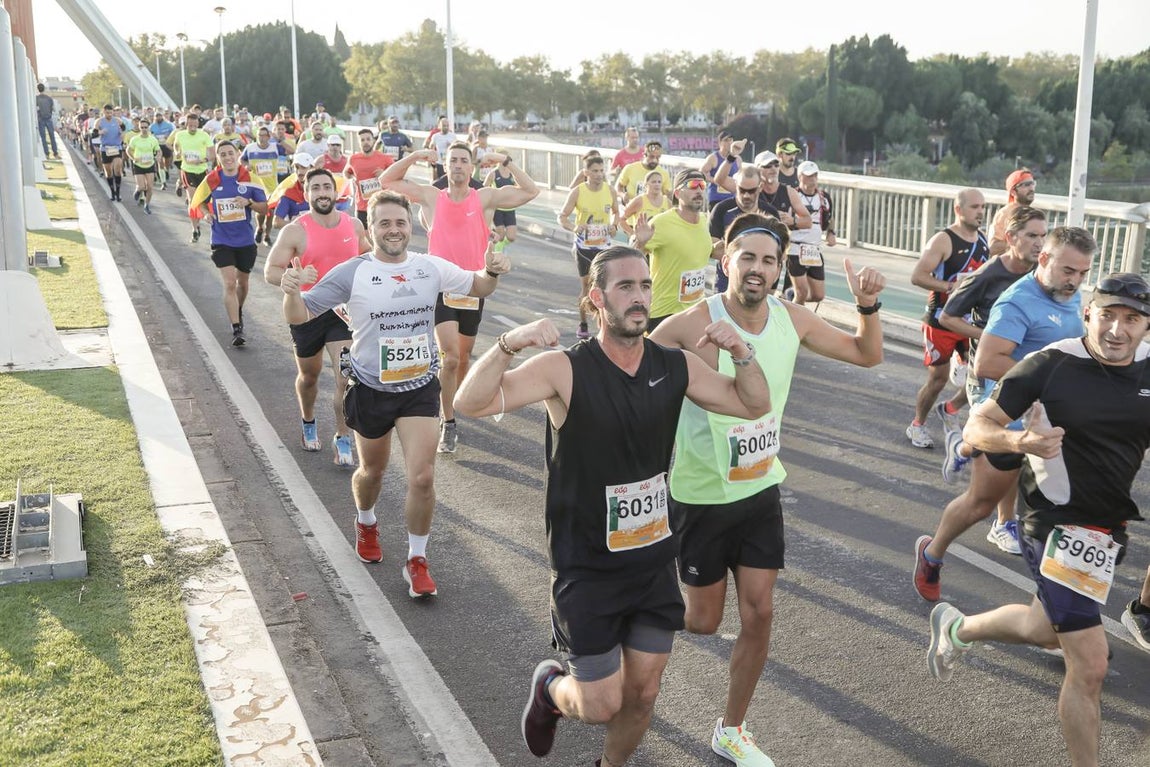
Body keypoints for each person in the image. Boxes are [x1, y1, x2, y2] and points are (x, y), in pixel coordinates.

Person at [452, 245, 771, 767]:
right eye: (626, 287)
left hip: (650, 560)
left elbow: (754, 404)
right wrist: (509, 343)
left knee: (643, 695)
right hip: (587, 567)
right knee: (601, 704)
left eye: (645, 286)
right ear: (597, 298)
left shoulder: (676, 365)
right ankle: (550, 688)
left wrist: (742, 352)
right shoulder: (564, 369)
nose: (640, 297)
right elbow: (470, 402)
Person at [651, 213, 885, 767]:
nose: (758, 269)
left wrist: (868, 308)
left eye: (769, 261)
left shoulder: (792, 318)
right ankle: (631, 609)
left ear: (781, 270)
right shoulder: (688, 325)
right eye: (748, 257)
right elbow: (628, 371)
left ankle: (731, 729)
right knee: (703, 621)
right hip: (702, 496)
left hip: (760, 490)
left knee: (759, 613)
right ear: (725, 259)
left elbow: (866, 353)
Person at [927, 272, 1150, 767]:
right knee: (1089, 664)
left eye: (1131, 319)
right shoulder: (1050, 364)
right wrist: (1019, 443)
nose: (1117, 329)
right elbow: (979, 425)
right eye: (1108, 314)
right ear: (1088, 312)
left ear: (1146, 326)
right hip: (1051, 523)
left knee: (1043, 628)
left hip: (1105, 529)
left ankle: (959, 628)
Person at [278, 190, 511, 595]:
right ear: (371, 229)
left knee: (422, 476)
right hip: (371, 387)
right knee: (373, 472)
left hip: (419, 386)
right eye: (384, 223)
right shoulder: (353, 272)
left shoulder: (429, 268)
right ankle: (366, 521)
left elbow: (477, 286)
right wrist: (291, 292)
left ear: (411, 227)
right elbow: (301, 315)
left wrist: (491, 272)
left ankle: (416, 560)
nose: (393, 230)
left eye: (400, 222)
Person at [914, 227, 1097, 602]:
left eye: (1083, 273)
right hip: (1009, 421)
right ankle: (932, 554)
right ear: (1043, 259)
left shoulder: (1068, 295)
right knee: (980, 503)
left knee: (1060, 511)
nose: (1075, 281)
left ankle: (1058, 610)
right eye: (1068, 271)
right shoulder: (1018, 303)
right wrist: (1050, 382)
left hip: (1053, 424)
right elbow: (987, 362)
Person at [381, 143, 539, 454]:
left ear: (471, 169)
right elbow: (387, 181)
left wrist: (506, 161)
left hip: (473, 286)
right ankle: (448, 422)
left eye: (463, 161)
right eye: (452, 160)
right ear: (446, 166)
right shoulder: (431, 196)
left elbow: (529, 191)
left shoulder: (485, 197)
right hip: (439, 286)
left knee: (463, 358)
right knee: (449, 356)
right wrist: (413, 157)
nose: (457, 166)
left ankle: (451, 400)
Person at [265, 168, 372, 464]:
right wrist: (291, 279)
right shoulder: (295, 230)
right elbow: (271, 270)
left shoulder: (353, 225)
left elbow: (367, 255)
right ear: (307, 192)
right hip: (309, 311)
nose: (323, 193)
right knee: (309, 377)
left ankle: (342, 437)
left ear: (335, 191)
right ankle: (308, 421)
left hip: (345, 314)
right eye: (316, 188)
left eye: (327, 187)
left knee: (345, 378)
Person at [938, 206, 1047, 488]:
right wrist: (987, 334)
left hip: (1018, 367)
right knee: (989, 441)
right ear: (1011, 237)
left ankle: (1003, 514)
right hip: (984, 372)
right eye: (1032, 235)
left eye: (1044, 236)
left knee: (1007, 443)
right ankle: (961, 451)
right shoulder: (986, 275)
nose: (1040, 243)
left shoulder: (1041, 272)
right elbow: (948, 317)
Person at [906, 189, 989, 449]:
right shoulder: (943, 240)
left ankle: (951, 409)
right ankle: (917, 425)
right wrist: (950, 286)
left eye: (983, 207)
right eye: (975, 207)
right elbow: (918, 276)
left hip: (969, 322)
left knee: (983, 374)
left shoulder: (983, 240)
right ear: (959, 209)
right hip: (941, 320)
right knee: (938, 379)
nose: (980, 212)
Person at [189, 141, 269, 346]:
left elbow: (264, 209)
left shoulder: (251, 179)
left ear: (238, 154)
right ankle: (236, 328)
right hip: (221, 239)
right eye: (222, 154)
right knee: (229, 283)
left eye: (230, 153)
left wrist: (248, 203)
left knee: (243, 283)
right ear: (218, 158)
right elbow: (199, 202)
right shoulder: (212, 179)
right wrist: (206, 214)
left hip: (245, 241)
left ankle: (238, 310)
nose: (227, 157)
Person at [632, 170, 717, 331]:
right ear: (677, 193)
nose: (699, 190)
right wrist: (640, 242)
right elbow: (632, 258)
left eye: (702, 185)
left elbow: (695, 252)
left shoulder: (704, 221)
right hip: (664, 311)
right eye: (693, 185)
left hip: (695, 308)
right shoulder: (662, 222)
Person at [558, 153, 620, 339]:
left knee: (605, 285)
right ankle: (583, 323)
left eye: (601, 171)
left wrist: (614, 226)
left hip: (603, 246)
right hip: (584, 248)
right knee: (587, 287)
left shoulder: (610, 191)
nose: (599, 174)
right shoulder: (578, 191)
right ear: (586, 172)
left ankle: (604, 325)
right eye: (594, 171)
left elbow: (617, 213)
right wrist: (574, 227)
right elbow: (562, 216)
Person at [707, 166, 779, 293]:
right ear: (736, 185)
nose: (746, 195)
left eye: (751, 191)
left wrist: (772, 289)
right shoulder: (721, 210)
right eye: (742, 190)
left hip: (759, 282)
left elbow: (778, 255)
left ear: (760, 187)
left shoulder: (771, 214)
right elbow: (712, 250)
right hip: (727, 282)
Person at [786, 161, 836, 306]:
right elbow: (785, 220)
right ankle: (795, 321)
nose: (812, 179)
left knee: (818, 295)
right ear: (800, 177)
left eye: (815, 175)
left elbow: (830, 217)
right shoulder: (793, 196)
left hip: (814, 249)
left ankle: (791, 296)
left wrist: (831, 233)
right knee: (801, 292)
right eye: (808, 176)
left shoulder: (824, 197)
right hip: (796, 248)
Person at [170, 113, 216, 242]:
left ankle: (204, 217)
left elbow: (212, 153)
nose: (192, 127)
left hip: (202, 171)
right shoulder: (180, 135)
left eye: (195, 125)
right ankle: (195, 229)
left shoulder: (204, 135)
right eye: (190, 125)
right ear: (186, 124)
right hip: (187, 170)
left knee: (204, 200)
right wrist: (177, 152)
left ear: (198, 124)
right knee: (192, 200)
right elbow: (176, 145)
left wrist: (204, 160)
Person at [346, 128, 395, 227]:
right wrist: (351, 176)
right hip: (362, 206)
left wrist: (384, 173)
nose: (366, 142)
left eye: (368, 139)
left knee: (381, 237)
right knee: (363, 238)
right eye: (362, 140)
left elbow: (397, 174)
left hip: (381, 205)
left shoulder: (385, 158)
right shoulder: (353, 159)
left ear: (373, 141)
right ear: (359, 142)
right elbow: (346, 173)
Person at [241, 125, 281, 244]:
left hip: (272, 186)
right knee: (260, 212)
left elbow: (292, 150)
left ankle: (267, 235)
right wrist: (246, 166)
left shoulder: (275, 147)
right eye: (259, 135)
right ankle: (259, 227)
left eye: (264, 135)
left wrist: (281, 139)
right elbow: (242, 159)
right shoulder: (250, 148)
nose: (262, 138)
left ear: (269, 137)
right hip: (257, 185)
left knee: (271, 213)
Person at [989, 168, 1038, 256]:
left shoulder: (1033, 213)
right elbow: (993, 247)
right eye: (1026, 185)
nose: (1031, 188)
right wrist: (1020, 243)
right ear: (1013, 192)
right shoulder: (1004, 214)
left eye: (1032, 183)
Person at [485, 154, 521, 252]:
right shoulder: (493, 174)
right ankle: (497, 250)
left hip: (510, 209)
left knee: (511, 237)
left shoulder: (512, 174)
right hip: (497, 209)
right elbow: (484, 188)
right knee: (500, 235)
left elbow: (520, 188)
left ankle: (499, 245)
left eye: (508, 160)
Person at [620, 169, 673, 237]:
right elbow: (621, 220)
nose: (657, 184)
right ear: (646, 184)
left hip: (661, 242)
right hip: (642, 244)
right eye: (653, 182)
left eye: (659, 182)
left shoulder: (667, 202)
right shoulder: (639, 200)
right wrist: (634, 235)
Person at [616, 141, 670, 205]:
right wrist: (623, 195)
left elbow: (667, 194)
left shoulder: (664, 173)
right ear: (644, 155)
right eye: (651, 157)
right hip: (632, 209)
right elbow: (618, 186)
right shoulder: (630, 168)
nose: (654, 160)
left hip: (654, 210)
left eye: (657, 158)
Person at [126, 120, 160, 214]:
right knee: (141, 186)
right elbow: (128, 150)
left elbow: (158, 150)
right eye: (142, 127)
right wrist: (133, 158)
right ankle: (138, 190)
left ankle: (147, 205)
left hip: (149, 164)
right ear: (139, 128)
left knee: (149, 187)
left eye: (146, 127)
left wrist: (158, 156)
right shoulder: (135, 139)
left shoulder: (152, 139)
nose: (144, 129)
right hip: (138, 165)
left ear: (148, 128)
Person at [95, 104, 126, 201]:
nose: (109, 115)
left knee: (117, 169)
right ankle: (112, 192)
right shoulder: (99, 121)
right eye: (107, 113)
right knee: (108, 173)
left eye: (111, 113)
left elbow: (124, 129)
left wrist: (122, 133)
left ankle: (118, 192)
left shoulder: (117, 120)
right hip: (105, 149)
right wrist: (100, 132)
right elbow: (93, 134)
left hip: (116, 147)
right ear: (103, 112)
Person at [700, 130, 737, 207]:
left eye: (731, 140)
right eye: (726, 140)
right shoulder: (713, 158)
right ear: (719, 143)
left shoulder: (738, 159)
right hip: (717, 198)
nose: (729, 143)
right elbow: (701, 173)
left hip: (733, 198)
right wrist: (716, 180)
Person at [36, 83, 59, 159]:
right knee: (52, 136)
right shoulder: (49, 99)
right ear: (44, 89)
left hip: (40, 119)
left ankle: (47, 154)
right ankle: (55, 153)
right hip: (48, 118)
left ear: (38, 89)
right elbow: (53, 109)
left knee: (43, 137)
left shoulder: (36, 98)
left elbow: (36, 109)